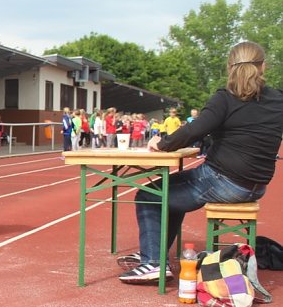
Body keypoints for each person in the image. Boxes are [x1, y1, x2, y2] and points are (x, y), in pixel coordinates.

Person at [119, 41, 283, 283]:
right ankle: (155, 253)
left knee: (149, 194)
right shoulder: (278, 99)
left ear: (229, 67)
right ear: (263, 67)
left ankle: (153, 263)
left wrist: (161, 143)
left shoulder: (226, 98)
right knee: (170, 194)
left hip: (224, 180)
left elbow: (193, 130)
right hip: (256, 185)